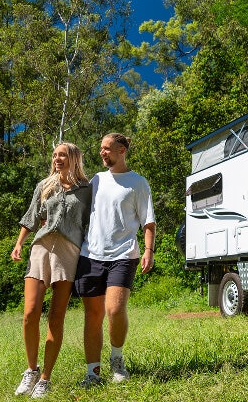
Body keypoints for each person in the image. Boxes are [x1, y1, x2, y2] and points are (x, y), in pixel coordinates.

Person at [74, 133, 156, 387]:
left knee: (115, 309)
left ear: (122, 150)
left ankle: (117, 360)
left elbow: (148, 221)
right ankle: (93, 373)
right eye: (101, 148)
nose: (102, 153)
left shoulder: (138, 183)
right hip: (91, 255)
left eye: (107, 148)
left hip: (123, 254)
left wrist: (148, 250)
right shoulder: (96, 180)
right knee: (93, 316)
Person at [11, 142, 91, 398]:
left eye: (62, 155)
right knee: (30, 313)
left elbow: (91, 223)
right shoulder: (44, 186)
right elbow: (31, 217)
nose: (57, 159)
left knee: (56, 318)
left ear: (74, 158)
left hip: (69, 255)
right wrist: (18, 244)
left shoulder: (87, 190)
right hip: (41, 250)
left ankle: (45, 379)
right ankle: (31, 370)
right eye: (55, 155)